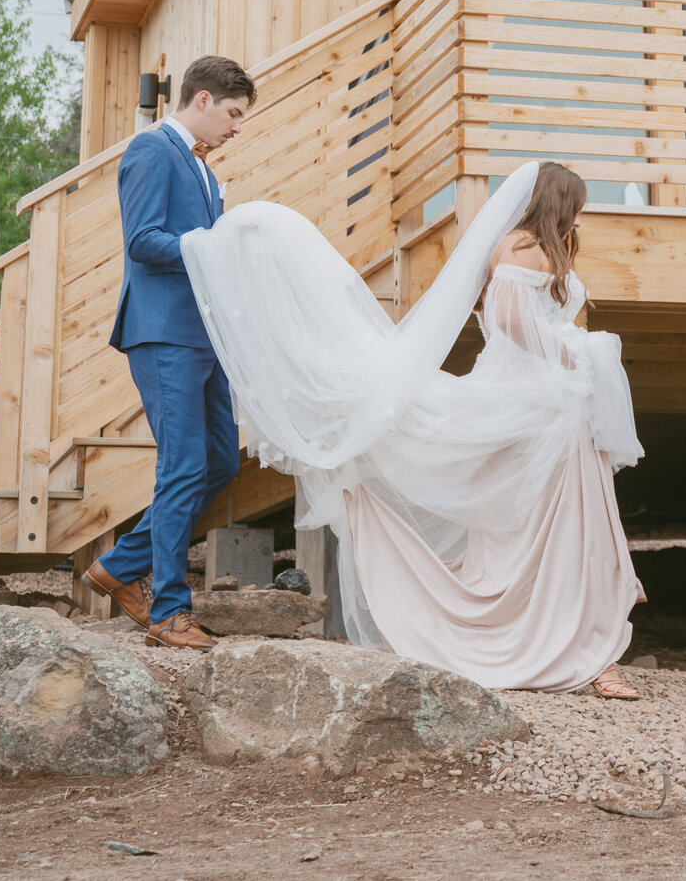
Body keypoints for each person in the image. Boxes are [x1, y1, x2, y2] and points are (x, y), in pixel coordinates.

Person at [181, 160, 646, 695]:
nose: (581, 220)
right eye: (578, 207)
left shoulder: (524, 245)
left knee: (535, 527)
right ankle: (577, 651)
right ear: (559, 203)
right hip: (536, 402)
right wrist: (578, 354)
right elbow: (513, 320)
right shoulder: (526, 247)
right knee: (554, 528)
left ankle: (575, 643)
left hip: (538, 402)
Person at [83, 55, 256, 650]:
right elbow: (142, 240)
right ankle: (168, 614)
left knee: (221, 460)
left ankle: (119, 565)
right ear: (202, 100)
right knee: (182, 464)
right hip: (163, 332)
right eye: (233, 114)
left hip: (204, 335)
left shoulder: (205, 170)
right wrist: (213, 246)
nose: (237, 127)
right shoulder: (152, 149)